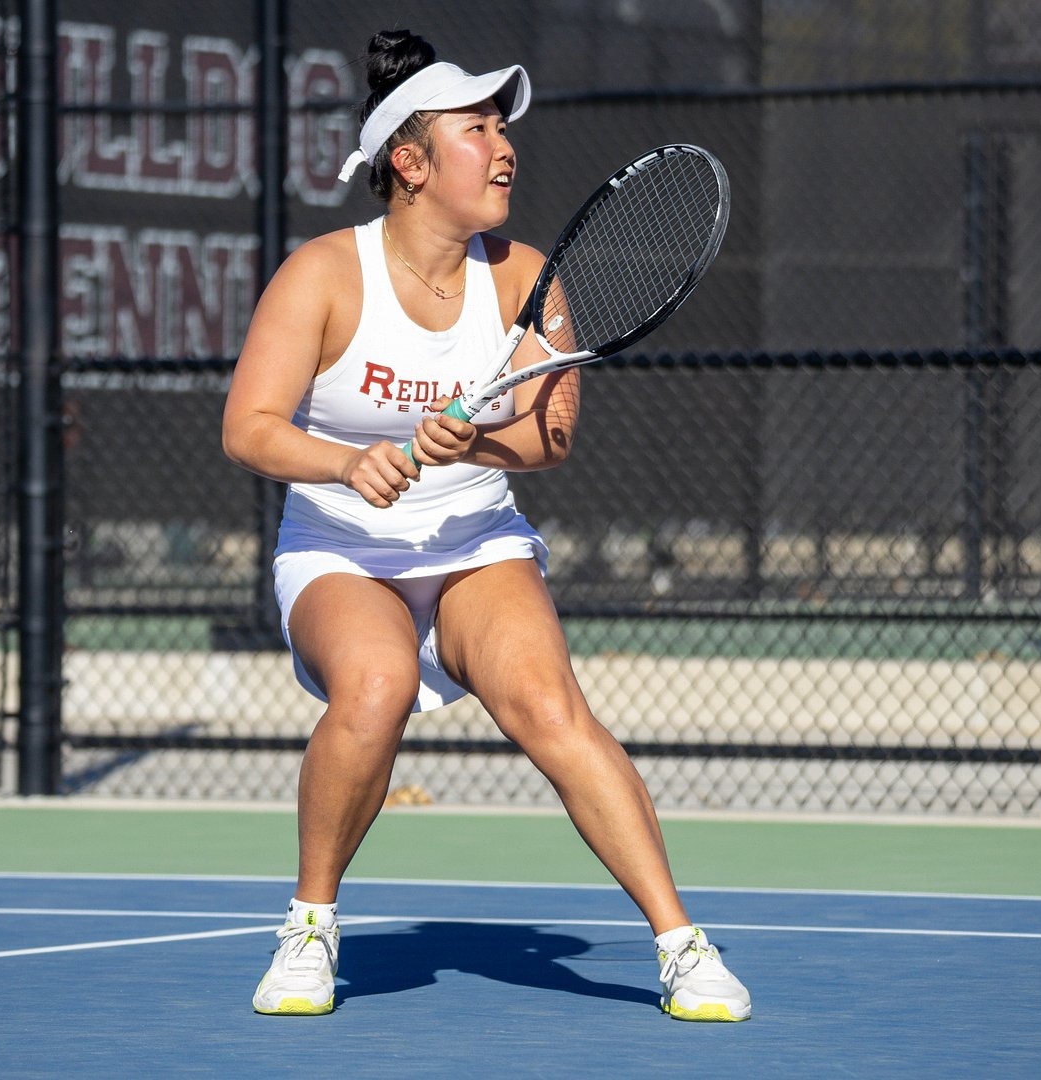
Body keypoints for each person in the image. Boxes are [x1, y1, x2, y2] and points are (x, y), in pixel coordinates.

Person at [220, 29, 751, 1023]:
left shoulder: (526, 277)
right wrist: (349, 459)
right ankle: (308, 927)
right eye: (478, 128)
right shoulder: (326, 276)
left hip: (473, 541)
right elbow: (247, 428)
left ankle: (683, 945)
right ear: (410, 163)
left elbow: (551, 438)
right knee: (372, 689)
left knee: (550, 708)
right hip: (340, 548)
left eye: (503, 127)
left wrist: (465, 450)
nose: (504, 146)